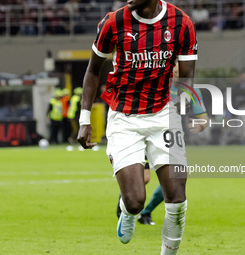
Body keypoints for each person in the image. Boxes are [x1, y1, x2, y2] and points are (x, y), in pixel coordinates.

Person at [77, 0, 197, 254]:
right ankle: (128, 211)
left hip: (164, 114)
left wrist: (187, 109)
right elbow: (92, 71)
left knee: (176, 197)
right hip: (124, 118)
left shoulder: (182, 23)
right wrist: (84, 119)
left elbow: (186, 77)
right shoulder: (113, 22)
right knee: (135, 202)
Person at [137, 64, 208, 225]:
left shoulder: (191, 91)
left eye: (180, 71)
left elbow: (204, 118)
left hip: (171, 140)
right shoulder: (156, 84)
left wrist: (200, 124)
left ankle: (145, 213)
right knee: (145, 179)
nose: (177, 73)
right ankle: (126, 201)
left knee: (173, 180)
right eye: (174, 70)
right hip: (146, 135)